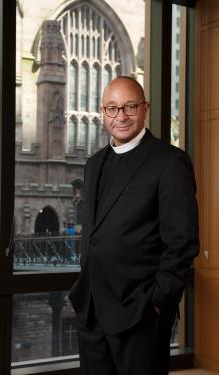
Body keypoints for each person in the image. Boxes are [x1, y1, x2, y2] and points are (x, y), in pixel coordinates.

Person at [69, 76, 199, 375]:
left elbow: (182, 242)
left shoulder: (170, 162)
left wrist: (156, 303)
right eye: (112, 108)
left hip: (139, 314)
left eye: (130, 106)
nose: (121, 116)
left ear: (145, 109)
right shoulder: (94, 163)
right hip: (91, 310)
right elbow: (95, 235)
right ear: (103, 113)